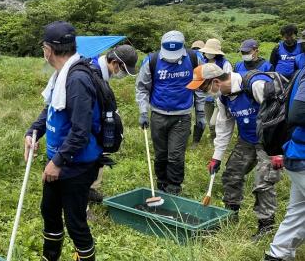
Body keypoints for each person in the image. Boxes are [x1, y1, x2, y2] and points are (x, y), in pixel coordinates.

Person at [25, 21, 103, 261]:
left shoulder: (77, 79)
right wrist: (32, 131)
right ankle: (51, 259)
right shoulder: (61, 74)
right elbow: (51, 112)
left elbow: (80, 131)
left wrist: (57, 162)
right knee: (49, 210)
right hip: (58, 158)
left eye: (43, 48)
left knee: (75, 220)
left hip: (77, 163)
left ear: (49, 50)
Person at [186, 64, 282, 239]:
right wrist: (216, 158)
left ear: (216, 81)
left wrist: (278, 151)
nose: (203, 93)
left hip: (270, 142)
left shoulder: (255, 85)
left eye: (204, 88)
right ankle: (231, 214)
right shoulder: (223, 98)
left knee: (263, 183)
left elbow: (279, 117)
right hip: (247, 140)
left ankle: (266, 225)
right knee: (231, 174)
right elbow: (224, 128)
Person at [135, 30, 205, 195]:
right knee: (161, 154)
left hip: (182, 116)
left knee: (175, 155)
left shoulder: (194, 59)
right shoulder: (151, 60)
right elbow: (142, 88)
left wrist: (200, 113)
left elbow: (201, 87)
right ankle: (161, 183)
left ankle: (174, 187)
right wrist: (143, 112)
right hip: (158, 115)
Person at [264, 68, 305, 261]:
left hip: (296, 153)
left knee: (299, 211)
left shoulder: (301, 71)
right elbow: (298, 113)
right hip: (302, 155)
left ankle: (276, 259)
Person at [87, 44, 138, 204]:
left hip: (98, 133)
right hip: (87, 132)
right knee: (85, 163)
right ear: (115, 62)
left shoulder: (102, 75)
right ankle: (82, 203)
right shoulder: (91, 74)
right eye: (123, 69)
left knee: (97, 157)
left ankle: (90, 190)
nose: (122, 74)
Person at [199, 38, 232, 140]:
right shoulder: (202, 62)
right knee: (210, 123)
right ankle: (214, 141)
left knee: (214, 122)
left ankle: (219, 140)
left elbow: (228, 80)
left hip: (219, 97)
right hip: (206, 97)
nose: (208, 54)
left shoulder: (224, 63)